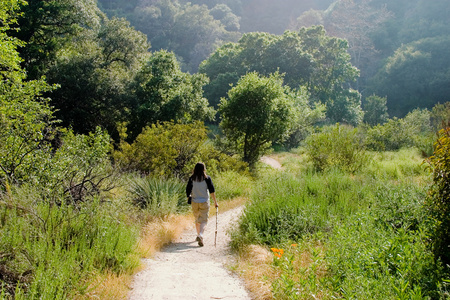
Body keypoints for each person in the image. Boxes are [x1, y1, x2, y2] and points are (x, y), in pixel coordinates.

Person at [186, 162, 218, 247]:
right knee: (204, 220)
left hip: (194, 202)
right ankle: (200, 235)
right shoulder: (207, 178)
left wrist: (188, 198)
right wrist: (215, 202)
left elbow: (187, 190)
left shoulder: (191, 178)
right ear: (204, 169)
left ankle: (198, 235)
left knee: (197, 219)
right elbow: (212, 190)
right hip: (204, 201)